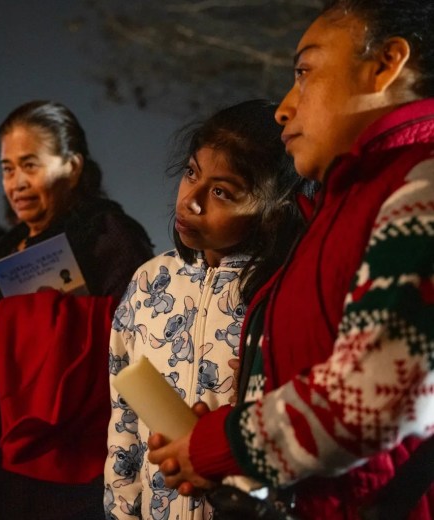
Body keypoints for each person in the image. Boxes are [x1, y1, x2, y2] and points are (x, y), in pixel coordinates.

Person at [147, 1, 434, 518]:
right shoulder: (338, 210)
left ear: (386, 63)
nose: (284, 106)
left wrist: (222, 442)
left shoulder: (422, 188)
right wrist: (228, 446)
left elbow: (374, 397)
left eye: (304, 72)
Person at [0, 100, 154, 519]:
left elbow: (133, 334)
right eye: (7, 169)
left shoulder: (107, 238)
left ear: (73, 166)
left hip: (60, 470)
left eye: (30, 165)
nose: (16, 184)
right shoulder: (6, 246)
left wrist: (12, 341)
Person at [105, 99, 313, 520]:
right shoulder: (149, 282)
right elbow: (124, 423)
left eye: (222, 192)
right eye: (191, 174)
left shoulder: (284, 290)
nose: (191, 201)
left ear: (272, 209)